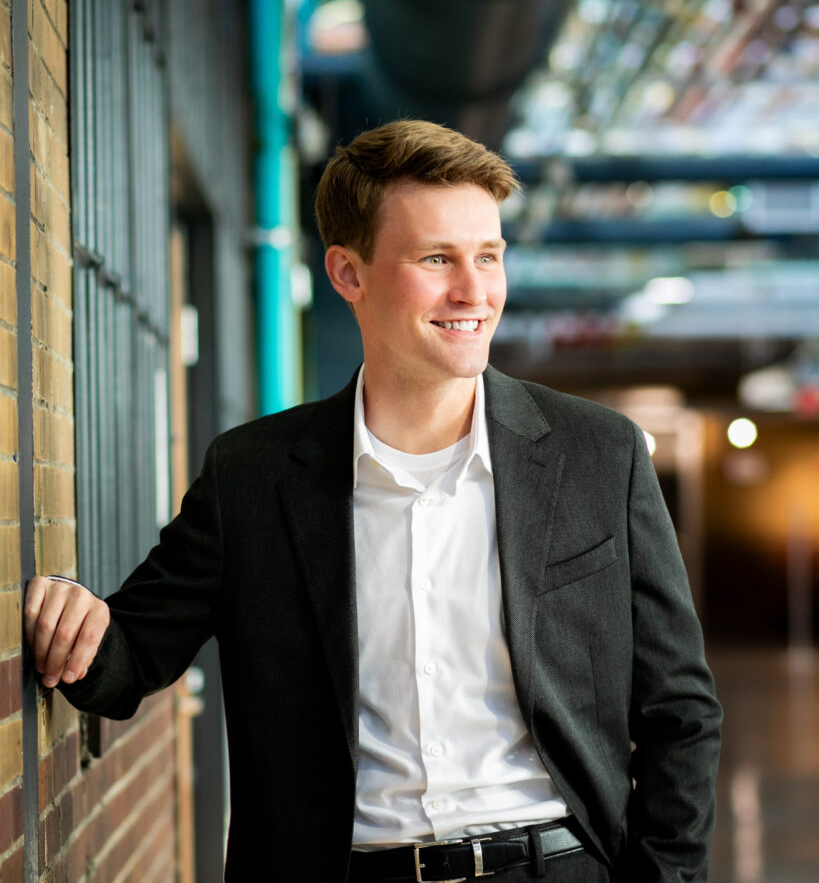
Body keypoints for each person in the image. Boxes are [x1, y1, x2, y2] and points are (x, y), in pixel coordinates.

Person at [25, 120, 722, 882]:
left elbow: (678, 711)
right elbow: (129, 658)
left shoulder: (598, 455)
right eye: (436, 259)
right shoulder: (253, 477)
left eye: (488, 256)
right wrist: (71, 614)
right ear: (347, 273)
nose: (474, 291)